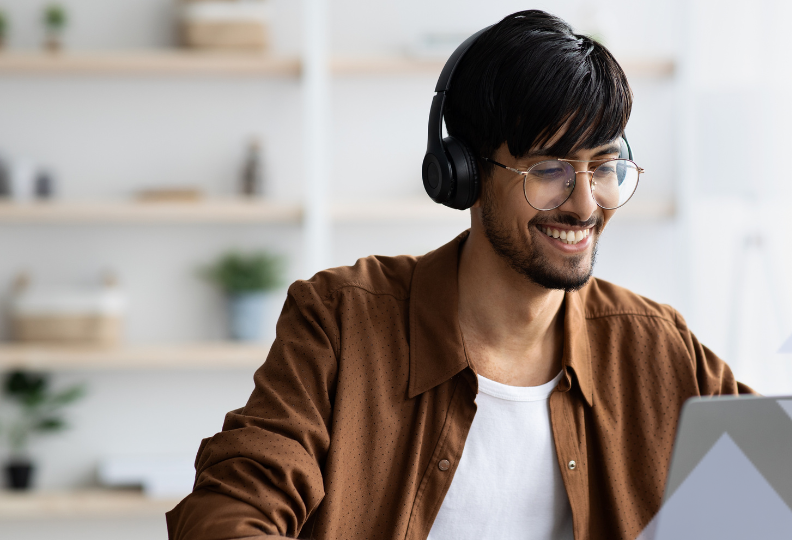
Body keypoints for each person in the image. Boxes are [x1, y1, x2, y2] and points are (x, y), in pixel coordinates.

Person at [166, 10, 751, 540]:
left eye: (603, 167)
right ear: (462, 175)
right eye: (548, 169)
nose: (584, 204)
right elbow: (239, 496)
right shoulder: (344, 319)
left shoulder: (655, 344)